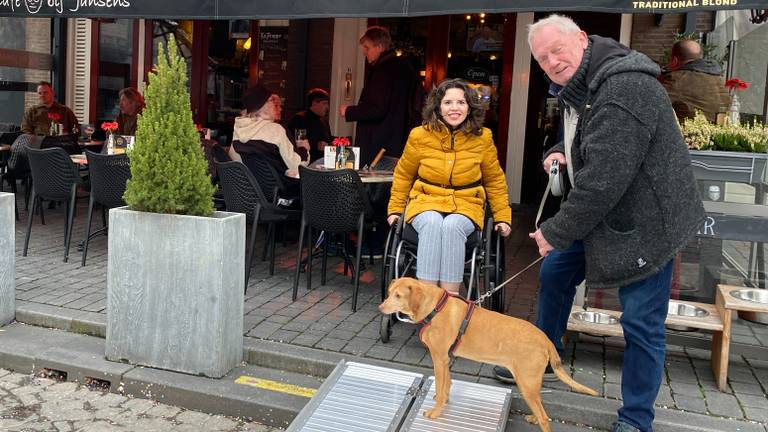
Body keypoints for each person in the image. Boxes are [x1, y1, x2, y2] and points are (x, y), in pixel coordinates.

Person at [492, 15, 704, 432]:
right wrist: (557, 149)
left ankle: (636, 419)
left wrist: (554, 231)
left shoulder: (624, 87)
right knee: (555, 273)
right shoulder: (580, 87)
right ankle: (545, 355)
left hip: (646, 223)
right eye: (542, 57)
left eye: (558, 50)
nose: (551, 61)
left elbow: (604, 180)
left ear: (583, 40)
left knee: (641, 322)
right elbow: (583, 139)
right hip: (606, 215)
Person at [387, 78, 512, 295]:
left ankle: (449, 303)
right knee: (433, 222)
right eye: (448, 102)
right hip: (425, 202)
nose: (454, 108)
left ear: (470, 107)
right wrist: (395, 210)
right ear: (438, 106)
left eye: (461, 102)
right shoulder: (419, 135)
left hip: (466, 205)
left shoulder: (483, 138)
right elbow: (403, 175)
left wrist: (502, 217)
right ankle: (426, 299)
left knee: (453, 225)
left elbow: (494, 180)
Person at [340, 26, 418, 166]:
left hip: (378, 145)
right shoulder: (406, 68)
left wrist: (349, 111)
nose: (364, 52)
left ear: (380, 47)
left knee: (374, 184)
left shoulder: (383, 71)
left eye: (367, 48)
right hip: (398, 141)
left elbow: (377, 109)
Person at [229, 84, 309, 195]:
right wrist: (304, 149)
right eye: (272, 101)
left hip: (254, 194)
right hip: (282, 194)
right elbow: (298, 166)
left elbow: (236, 162)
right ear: (263, 105)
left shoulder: (239, 129)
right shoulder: (275, 130)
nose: (277, 106)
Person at [660, 39, 730, 123]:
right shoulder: (719, 79)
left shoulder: (677, 79)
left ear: (674, 60)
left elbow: (651, 101)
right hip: (719, 133)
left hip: (687, 133)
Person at [287, 88, 332, 163]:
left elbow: (328, 140)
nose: (327, 107)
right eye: (324, 103)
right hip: (306, 163)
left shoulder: (324, 121)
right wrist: (315, 146)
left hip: (323, 162)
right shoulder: (300, 119)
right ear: (314, 103)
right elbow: (297, 143)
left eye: (328, 104)